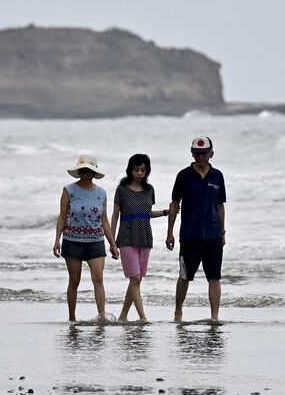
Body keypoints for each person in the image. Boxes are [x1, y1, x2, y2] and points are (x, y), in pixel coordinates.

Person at [165, 136, 226, 323]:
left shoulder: (217, 176)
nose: (200, 157)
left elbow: (220, 206)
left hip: (213, 235)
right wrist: (170, 232)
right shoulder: (183, 176)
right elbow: (175, 204)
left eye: (204, 154)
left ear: (211, 154)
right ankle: (178, 312)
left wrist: (222, 232)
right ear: (192, 154)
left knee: (214, 276)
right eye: (197, 154)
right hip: (190, 236)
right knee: (184, 275)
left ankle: (214, 316)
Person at [53, 154, 119, 322]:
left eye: (89, 171)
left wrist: (113, 244)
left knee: (98, 279)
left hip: (95, 242)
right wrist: (57, 240)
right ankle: (72, 318)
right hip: (72, 241)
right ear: (78, 171)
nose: (86, 174)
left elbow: (104, 221)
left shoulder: (101, 193)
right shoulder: (69, 190)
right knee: (74, 280)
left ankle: (102, 316)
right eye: (82, 171)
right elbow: (62, 216)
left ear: (94, 173)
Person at [109, 154, 171, 322]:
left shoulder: (149, 190)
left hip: (144, 235)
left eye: (143, 170)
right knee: (135, 278)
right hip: (126, 235)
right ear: (130, 169)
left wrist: (166, 212)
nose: (139, 173)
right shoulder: (122, 189)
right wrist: (112, 241)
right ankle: (143, 317)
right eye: (136, 169)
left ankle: (123, 316)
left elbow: (147, 214)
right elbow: (115, 215)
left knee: (136, 280)